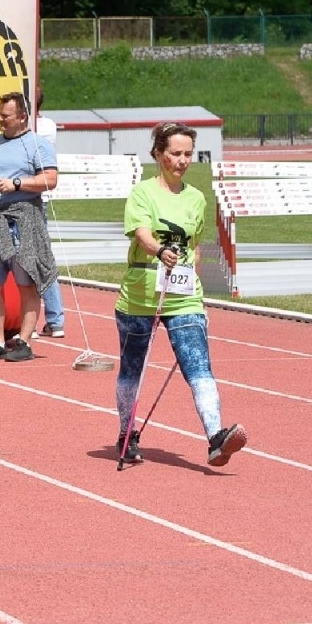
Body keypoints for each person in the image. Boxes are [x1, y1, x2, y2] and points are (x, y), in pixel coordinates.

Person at [114, 123, 247, 467]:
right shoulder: (142, 193)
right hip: (140, 297)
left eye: (188, 154)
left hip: (184, 298)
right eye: (175, 153)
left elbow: (195, 248)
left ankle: (216, 437)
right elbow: (141, 232)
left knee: (198, 367)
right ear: (158, 154)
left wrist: (198, 294)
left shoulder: (197, 198)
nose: (183, 160)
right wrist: (159, 250)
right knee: (132, 370)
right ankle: (126, 433)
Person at [0, 91, 57, 363]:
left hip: (23, 223)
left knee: (27, 282)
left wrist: (17, 184)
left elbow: (50, 179)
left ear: (22, 116)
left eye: (5, 116)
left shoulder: (37, 145)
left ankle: (24, 341)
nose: (1, 120)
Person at [33, 90, 66, 338]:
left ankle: (47, 319)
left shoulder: (43, 127)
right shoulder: (48, 125)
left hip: (34, 200)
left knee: (34, 259)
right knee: (41, 258)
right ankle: (54, 320)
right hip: (36, 199)